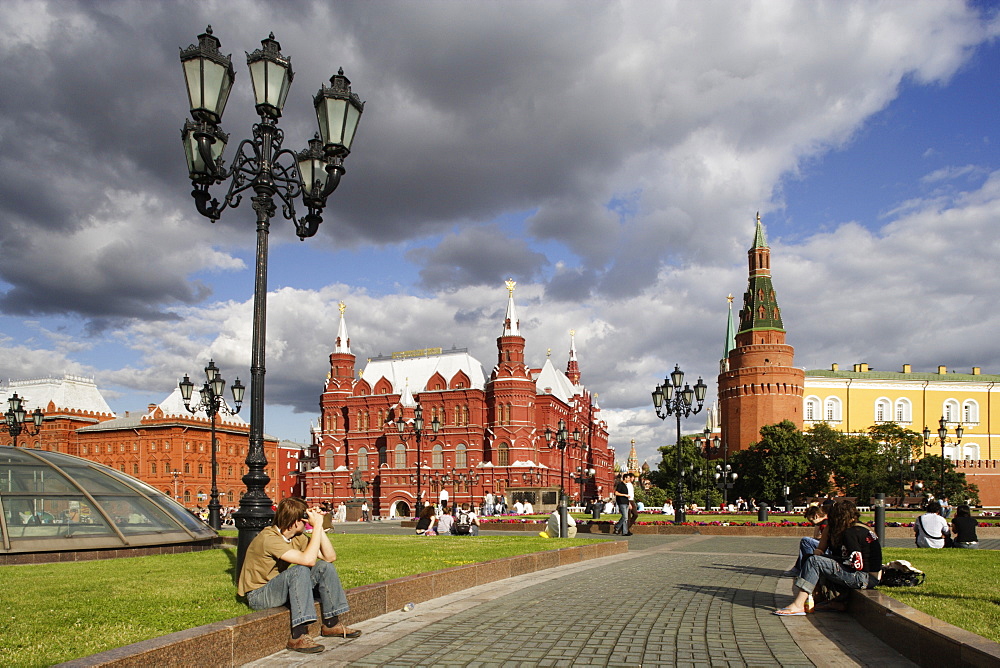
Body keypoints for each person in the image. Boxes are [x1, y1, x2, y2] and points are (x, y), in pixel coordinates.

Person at [237, 498, 360, 654]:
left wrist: (319, 527)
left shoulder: (296, 537)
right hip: (259, 594)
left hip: (276, 587)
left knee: (324, 567)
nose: (308, 523)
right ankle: (298, 635)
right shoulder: (269, 538)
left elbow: (329, 557)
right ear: (295, 522)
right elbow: (307, 560)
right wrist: (315, 527)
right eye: (305, 520)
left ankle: (331, 624)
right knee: (300, 570)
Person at [773, 499, 881, 616]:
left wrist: (829, 560)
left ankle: (799, 604)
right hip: (868, 576)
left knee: (815, 561)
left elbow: (855, 563)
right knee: (813, 559)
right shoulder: (860, 528)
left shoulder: (851, 533)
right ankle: (828, 600)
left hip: (864, 577)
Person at [787, 504, 828, 577]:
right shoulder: (824, 522)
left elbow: (823, 538)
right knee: (807, 542)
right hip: (829, 547)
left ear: (816, 516)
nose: (812, 523)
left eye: (811, 521)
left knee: (805, 540)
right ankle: (799, 568)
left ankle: (806, 568)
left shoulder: (825, 524)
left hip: (828, 549)